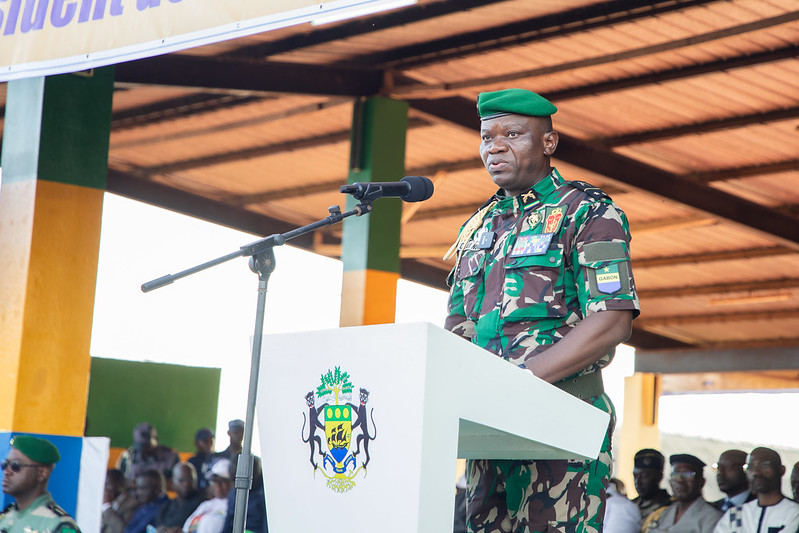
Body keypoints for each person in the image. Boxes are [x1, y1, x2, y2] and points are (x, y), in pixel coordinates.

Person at [444, 88, 640, 533]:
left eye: (512, 134)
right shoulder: (479, 226)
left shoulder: (588, 212)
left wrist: (522, 382)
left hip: (562, 418)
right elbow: (457, 326)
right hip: (488, 426)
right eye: (487, 137)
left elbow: (612, 319)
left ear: (548, 143)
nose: (495, 147)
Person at [0, 435, 80, 533]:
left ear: (42, 473)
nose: (6, 472)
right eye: (5, 465)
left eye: (15, 466)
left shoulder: (59, 525)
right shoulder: (5, 517)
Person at [714, 447, 799, 533]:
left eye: (764, 465)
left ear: (781, 470)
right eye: (751, 467)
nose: (756, 472)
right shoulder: (735, 514)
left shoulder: (794, 512)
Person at [643, 454, 721, 533]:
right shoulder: (662, 514)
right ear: (670, 481)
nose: (680, 480)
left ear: (701, 482)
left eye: (688, 475)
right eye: (675, 475)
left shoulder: (711, 517)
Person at [118, 423, 180, 487]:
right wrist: (129, 483)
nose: (142, 450)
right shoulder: (129, 456)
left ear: (155, 439)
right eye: (139, 446)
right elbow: (120, 480)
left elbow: (178, 484)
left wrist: (156, 483)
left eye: (145, 446)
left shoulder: (170, 457)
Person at [183, 459, 233, 533]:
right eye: (214, 481)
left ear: (232, 482)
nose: (217, 485)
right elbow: (187, 527)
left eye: (222, 481)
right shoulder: (207, 504)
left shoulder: (235, 506)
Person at [220, 456, 267, 533]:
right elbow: (228, 522)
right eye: (235, 480)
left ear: (255, 474)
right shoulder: (233, 494)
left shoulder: (265, 496)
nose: (238, 484)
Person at [154, 463, 206, 533]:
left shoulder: (203, 503)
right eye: (181, 480)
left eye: (190, 479)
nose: (186, 484)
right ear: (172, 482)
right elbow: (157, 525)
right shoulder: (166, 506)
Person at [632, 449, 673, 522]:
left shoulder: (670, 507)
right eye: (635, 476)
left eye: (645, 476)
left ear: (660, 477)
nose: (638, 482)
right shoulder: (630, 505)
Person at [124, 469, 169, 533]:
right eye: (137, 488)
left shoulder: (164, 508)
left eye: (142, 488)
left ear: (157, 488)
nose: (138, 493)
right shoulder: (145, 505)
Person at [102, 468, 140, 533]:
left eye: (108, 484)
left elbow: (123, 530)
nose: (105, 487)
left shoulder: (131, 504)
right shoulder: (104, 500)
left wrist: (106, 507)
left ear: (119, 484)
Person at [188, 429, 215, 495]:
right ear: (196, 443)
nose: (209, 444)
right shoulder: (191, 462)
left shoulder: (217, 461)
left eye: (211, 441)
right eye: (205, 441)